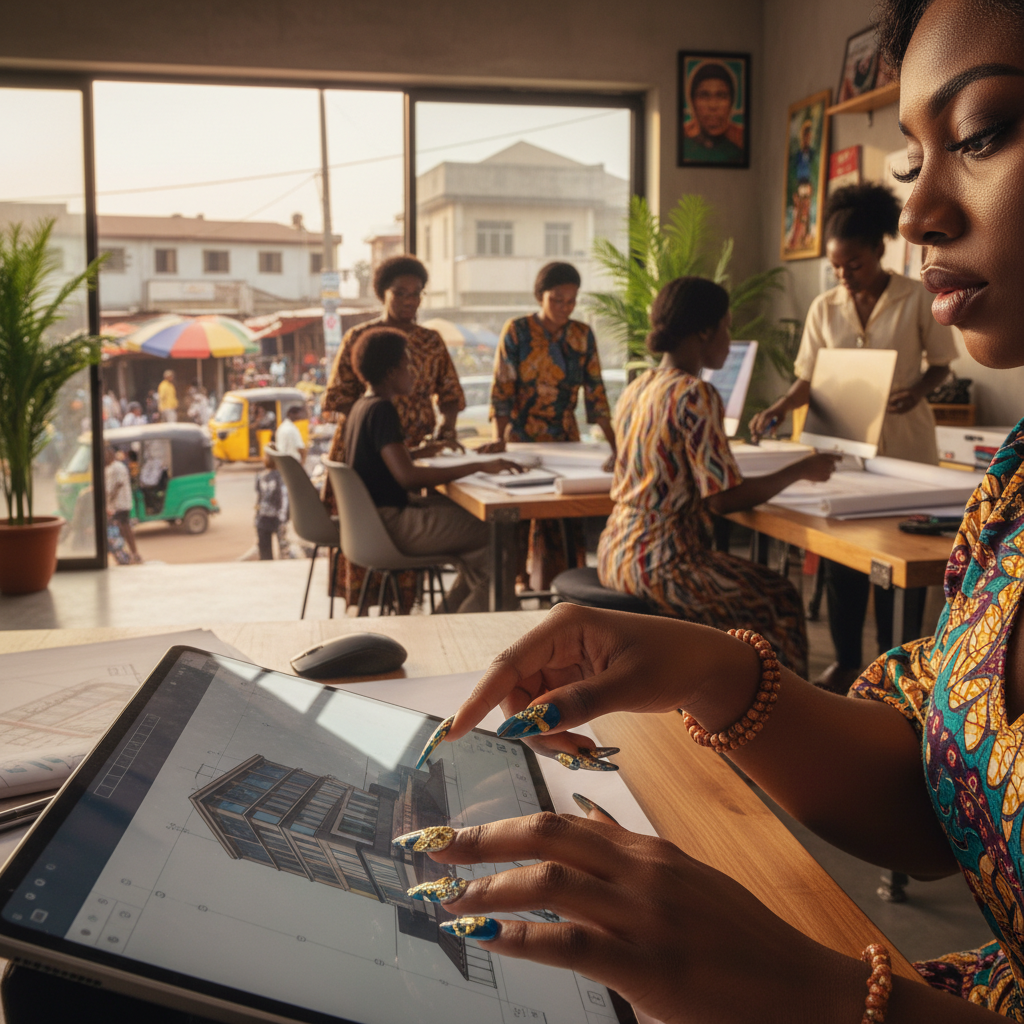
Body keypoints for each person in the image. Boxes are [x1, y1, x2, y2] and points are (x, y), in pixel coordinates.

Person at [400, 2, 1024, 1018]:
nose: (913, 221)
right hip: (665, 560)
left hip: (634, 545)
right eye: (916, 160)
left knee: (771, 598)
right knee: (771, 602)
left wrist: (814, 993)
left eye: (984, 132)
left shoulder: (655, 387)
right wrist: (716, 667)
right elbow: (953, 782)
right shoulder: (1008, 489)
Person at [753, 182, 959, 693]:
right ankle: (847, 661)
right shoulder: (825, 307)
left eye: (854, 265)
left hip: (906, 449)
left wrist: (915, 392)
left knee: (896, 560)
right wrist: (780, 406)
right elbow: (809, 379)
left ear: (878, 250)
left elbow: (943, 366)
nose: (844, 276)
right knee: (843, 561)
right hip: (841, 453)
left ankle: (897, 672)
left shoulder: (916, 297)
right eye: (837, 267)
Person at [598, 277, 839, 675]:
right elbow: (723, 499)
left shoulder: (637, 388)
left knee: (745, 589)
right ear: (705, 331)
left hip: (616, 553)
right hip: (664, 565)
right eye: (727, 326)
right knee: (778, 597)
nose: (729, 338)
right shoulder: (696, 394)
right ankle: (795, 713)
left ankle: (736, 692)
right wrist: (802, 469)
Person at [344, 327, 524, 612]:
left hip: (372, 523)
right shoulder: (383, 410)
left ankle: (450, 617)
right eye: (407, 365)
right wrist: (478, 465)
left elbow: (381, 461)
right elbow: (408, 476)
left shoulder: (361, 407)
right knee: (497, 533)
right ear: (391, 372)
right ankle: (476, 628)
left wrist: (418, 452)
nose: (413, 372)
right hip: (392, 525)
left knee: (483, 552)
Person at [322, 255, 465, 612]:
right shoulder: (361, 337)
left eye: (416, 294)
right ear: (381, 293)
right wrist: (378, 430)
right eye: (400, 293)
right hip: (367, 454)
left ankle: (405, 613)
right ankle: (368, 610)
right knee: (370, 534)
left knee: (406, 534)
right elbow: (338, 397)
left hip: (411, 452)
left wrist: (446, 429)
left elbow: (450, 395)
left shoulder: (431, 341)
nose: (409, 301)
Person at [488, 261, 615, 590]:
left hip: (565, 439)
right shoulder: (517, 331)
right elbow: (502, 391)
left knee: (564, 519)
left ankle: (562, 593)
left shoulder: (581, 335)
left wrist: (619, 448)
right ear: (540, 296)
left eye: (571, 300)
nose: (565, 307)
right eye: (557, 299)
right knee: (517, 518)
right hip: (521, 439)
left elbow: (596, 394)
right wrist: (499, 441)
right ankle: (513, 588)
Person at [682, 61, 745, 163]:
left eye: (721, 95)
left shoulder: (739, 147)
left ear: (731, 102)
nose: (713, 105)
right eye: (704, 95)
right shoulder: (683, 144)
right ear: (692, 102)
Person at [104, 446, 140, 564]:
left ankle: (130, 555)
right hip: (117, 505)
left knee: (122, 529)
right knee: (122, 529)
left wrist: (109, 503)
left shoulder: (117, 467)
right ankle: (130, 554)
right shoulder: (109, 468)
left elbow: (117, 486)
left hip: (120, 504)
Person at [254, 451, 289, 560]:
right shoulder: (261, 476)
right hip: (268, 519)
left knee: (279, 553)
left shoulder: (280, 476)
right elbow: (259, 498)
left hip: (275, 518)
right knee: (269, 553)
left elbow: (284, 497)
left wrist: (283, 517)